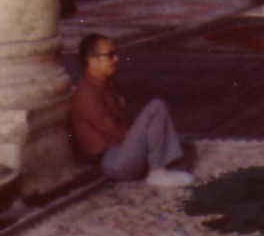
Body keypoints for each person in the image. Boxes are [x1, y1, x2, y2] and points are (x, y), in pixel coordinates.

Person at [71, 33, 195, 188]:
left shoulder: (106, 83)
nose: (116, 59)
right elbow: (118, 132)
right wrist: (148, 136)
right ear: (91, 60)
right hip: (114, 161)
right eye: (110, 55)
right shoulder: (86, 95)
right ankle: (157, 173)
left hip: (124, 149)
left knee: (186, 147)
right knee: (156, 107)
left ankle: (157, 166)